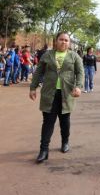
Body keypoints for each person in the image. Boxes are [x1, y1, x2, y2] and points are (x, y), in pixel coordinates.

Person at [29, 32, 84, 163]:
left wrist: (78, 86)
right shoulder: (47, 55)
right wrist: (33, 87)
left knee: (65, 121)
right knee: (48, 122)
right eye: (61, 39)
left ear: (69, 43)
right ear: (56, 41)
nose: (63, 42)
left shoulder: (74, 56)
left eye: (66, 40)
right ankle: (44, 150)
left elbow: (80, 72)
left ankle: (65, 142)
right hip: (49, 94)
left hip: (67, 94)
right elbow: (38, 72)